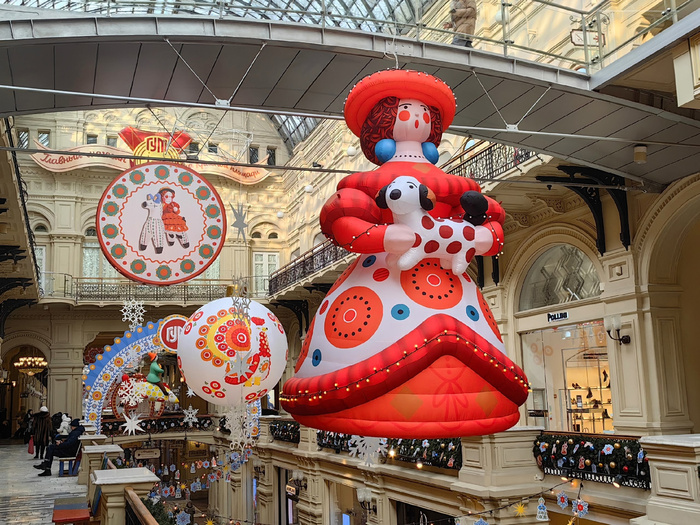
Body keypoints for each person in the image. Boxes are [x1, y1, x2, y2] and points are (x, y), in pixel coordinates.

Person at [281, 69, 526, 438]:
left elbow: (492, 222)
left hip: (448, 272)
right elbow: (343, 219)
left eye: (424, 112)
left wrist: (479, 237)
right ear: (383, 122)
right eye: (406, 110)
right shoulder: (368, 188)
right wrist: (382, 236)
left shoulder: (453, 191)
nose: (417, 117)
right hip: (383, 273)